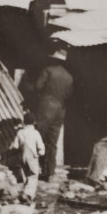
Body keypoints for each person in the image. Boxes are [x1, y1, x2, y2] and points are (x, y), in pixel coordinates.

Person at [35, 48, 73, 181]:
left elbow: (38, 87)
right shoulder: (69, 76)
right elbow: (69, 95)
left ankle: (32, 168)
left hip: (46, 107)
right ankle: (49, 172)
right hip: (60, 110)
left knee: (37, 136)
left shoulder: (48, 71)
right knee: (52, 142)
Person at [12, 111, 46, 202]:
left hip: (22, 156)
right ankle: (27, 194)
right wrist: (40, 153)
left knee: (25, 174)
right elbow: (41, 148)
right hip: (32, 157)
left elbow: (15, 146)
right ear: (34, 122)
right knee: (33, 175)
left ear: (24, 122)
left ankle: (25, 193)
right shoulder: (35, 133)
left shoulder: (20, 132)